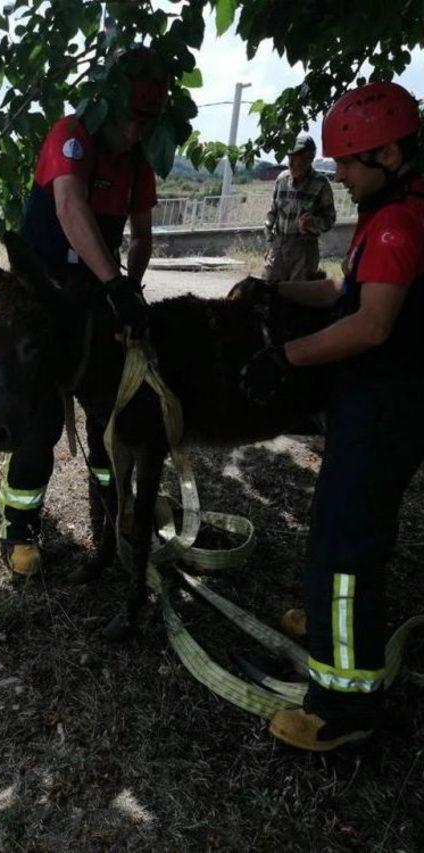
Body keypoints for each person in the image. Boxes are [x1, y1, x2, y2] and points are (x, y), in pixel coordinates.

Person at [240, 82, 424, 751]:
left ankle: (344, 706)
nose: (337, 174)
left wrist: (284, 358)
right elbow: (345, 290)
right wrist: (273, 287)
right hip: (370, 407)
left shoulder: (402, 222)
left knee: (348, 549)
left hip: (384, 410)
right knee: (339, 526)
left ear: (393, 152)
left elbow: (372, 325)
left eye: (349, 162)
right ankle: (326, 626)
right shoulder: (389, 212)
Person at [0, 47, 167, 577]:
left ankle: (110, 520)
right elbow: (70, 208)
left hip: (94, 297)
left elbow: (141, 236)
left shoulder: (137, 165)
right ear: (106, 103)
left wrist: (129, 290)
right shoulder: (70, 135)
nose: (136, 133)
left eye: (147, 123)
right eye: (130, 119)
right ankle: (20, 529)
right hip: (39, 294)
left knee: (106, 418)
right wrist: (114, 281)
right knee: (40, 421)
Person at [263, 132, 336, 282]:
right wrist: (270, 243)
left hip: (305, 249)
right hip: (279, 246)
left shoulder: (321, 184)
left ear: (310, 159)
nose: (295, 163)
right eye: (291, 158)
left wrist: (313, 222)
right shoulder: (281, 179)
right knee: (269, 291)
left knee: (298, 297)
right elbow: (272, 214)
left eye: (300, 158)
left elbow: (330, 219)